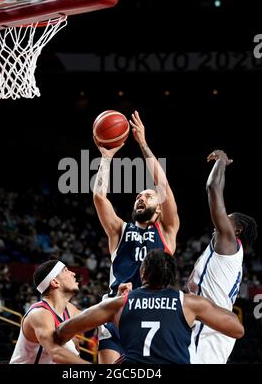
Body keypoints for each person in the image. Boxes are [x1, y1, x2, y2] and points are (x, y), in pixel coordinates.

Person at [93, 110, 180, 363]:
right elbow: (100, 197)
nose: (141, 197)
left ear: (160, 207)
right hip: (115, 307)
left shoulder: (166, 231)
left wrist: (142, 143)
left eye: (148, 196)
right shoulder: (120, 231)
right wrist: (106, 158)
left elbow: (163, 186)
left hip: (151, 309)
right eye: (138, 196)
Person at [56, 249, 244, 364]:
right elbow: (237, 329)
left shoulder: (119, 303)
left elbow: (64, 330)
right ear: (172, 277)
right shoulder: (189, 303)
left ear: (143, 272)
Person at [187, 150, 258, 364]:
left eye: (227, 219)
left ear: (236, 230)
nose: (221, 221)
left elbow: (213, 188)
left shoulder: (228, 243)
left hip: (209, 328)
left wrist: (221, 161)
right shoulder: (227, 253)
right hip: (212, 326)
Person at [10, 260, 90, 364]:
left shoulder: (69, 309)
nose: (73, 273)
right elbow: (56, 353)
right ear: (55, 282)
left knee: (73, 345)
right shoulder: (39, 313)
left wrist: (115, 301)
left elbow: (94, 318)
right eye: (66, 270)